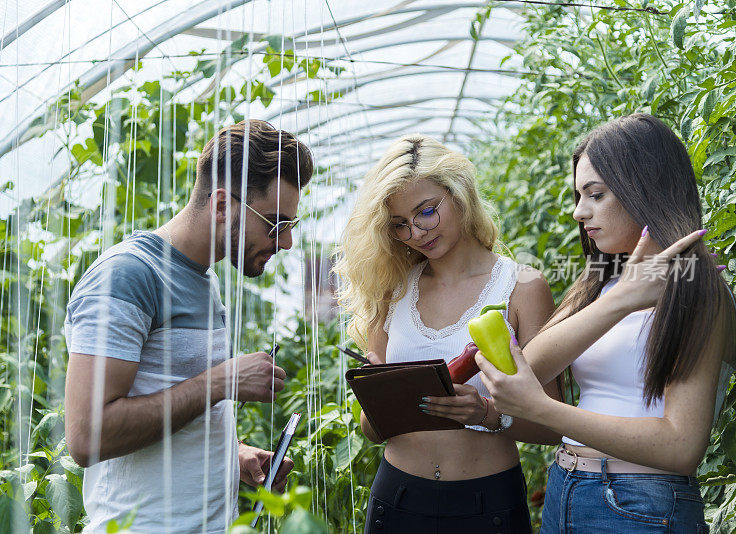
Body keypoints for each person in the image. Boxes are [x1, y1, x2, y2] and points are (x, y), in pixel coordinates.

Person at [475, 113, 736, 533]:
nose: (580, 212)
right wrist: (623, 297)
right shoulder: (602, 281)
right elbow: (530, 366)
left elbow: (681, 445)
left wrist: (544, 410)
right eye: (579, 195)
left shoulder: (694, 286)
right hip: (567, 488)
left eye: (595, 194)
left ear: (643, 189)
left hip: (641, 504)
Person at [63, 120, 313, 533]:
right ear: (220, 206)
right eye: (274, 223)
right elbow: (87, 437)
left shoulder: (204, 278)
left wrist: (234, 453)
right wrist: (221, 382)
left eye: (290, 225)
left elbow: (170, 393)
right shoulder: (128, 277)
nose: (285, 242)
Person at [334, 134, 562, 533]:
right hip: (398, 498)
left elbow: (553, 425)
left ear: (459, 192)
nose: (417, 233)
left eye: (426, 211)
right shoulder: (392, 290)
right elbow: (371, 432)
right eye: (400, 225)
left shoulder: (522, 287)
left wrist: (487, 415)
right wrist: (378, 394)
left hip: (487, 503)